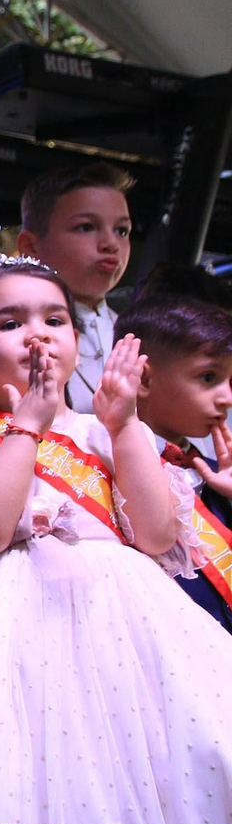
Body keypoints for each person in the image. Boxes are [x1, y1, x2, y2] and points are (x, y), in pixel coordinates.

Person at [0, 256, 232, 824]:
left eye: (55, 320)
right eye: (10, 323)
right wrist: (29, 424)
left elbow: (157, 533)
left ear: (79, 339)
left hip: (124, 634)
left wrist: (123, 423)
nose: (37, 333)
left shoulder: (104, 430)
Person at [115, 266, 232, 630]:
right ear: (144, 378)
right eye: (208, 377)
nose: (227, 397)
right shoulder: (106, 470)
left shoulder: (214, 474)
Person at [16, 162, 135, 412]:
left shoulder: (139, 334)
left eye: (121, 231)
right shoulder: (13, 337)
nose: (111, 243)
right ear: (31, 246)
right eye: (86, 227)